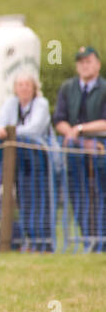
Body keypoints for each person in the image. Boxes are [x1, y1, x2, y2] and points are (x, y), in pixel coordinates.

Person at [52, 46, 106, 252]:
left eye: (88, 61)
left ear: (98, 64)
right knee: (79, 194)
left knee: (101, 194)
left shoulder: (104, 88)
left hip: (101, 148)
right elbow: (59, 118)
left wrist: (80, 129)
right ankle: (88, 240)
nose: (84, 65)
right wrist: (72, 133)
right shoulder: (68, 87)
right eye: (81, 62)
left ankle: (102, 240)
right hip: (76, 150)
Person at [0, 72, 54, 251]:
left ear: (34, 87)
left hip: (39, 160)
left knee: (40, 199)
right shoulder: (11, 103)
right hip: (19, 161)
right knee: (23, 198)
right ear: (15, 88)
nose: (24, 88)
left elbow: (34, 128)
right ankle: (29, 240)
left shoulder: (41, 104)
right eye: (20, 85)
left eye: (27, 84)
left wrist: (10, 132)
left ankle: (43, 242)